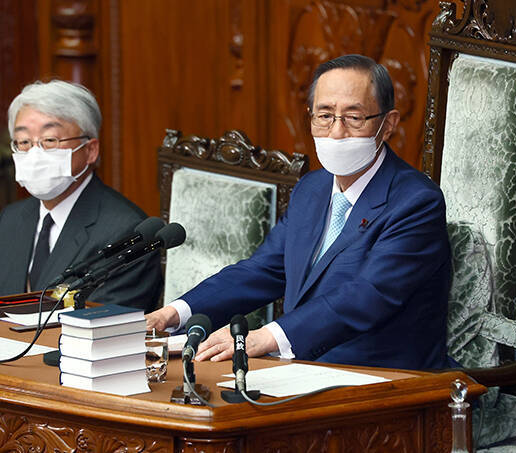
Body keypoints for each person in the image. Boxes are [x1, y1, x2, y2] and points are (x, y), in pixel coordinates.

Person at [146, 54, 451, 369]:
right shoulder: (311, 189)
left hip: (384, 379)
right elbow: (264, 270)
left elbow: (368, 295)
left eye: (354, 117)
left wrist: (266, 337)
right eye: (325, 115)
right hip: (296, 369)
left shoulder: (416, 202)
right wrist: (174, 313)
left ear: (388, 125)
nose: (336, 132)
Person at [0, 80, 162, 312]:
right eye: (24, 142)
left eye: (50, 140)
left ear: (90, 150)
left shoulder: (126, 233)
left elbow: (104, 322)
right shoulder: (10, 219)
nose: (34, 153)